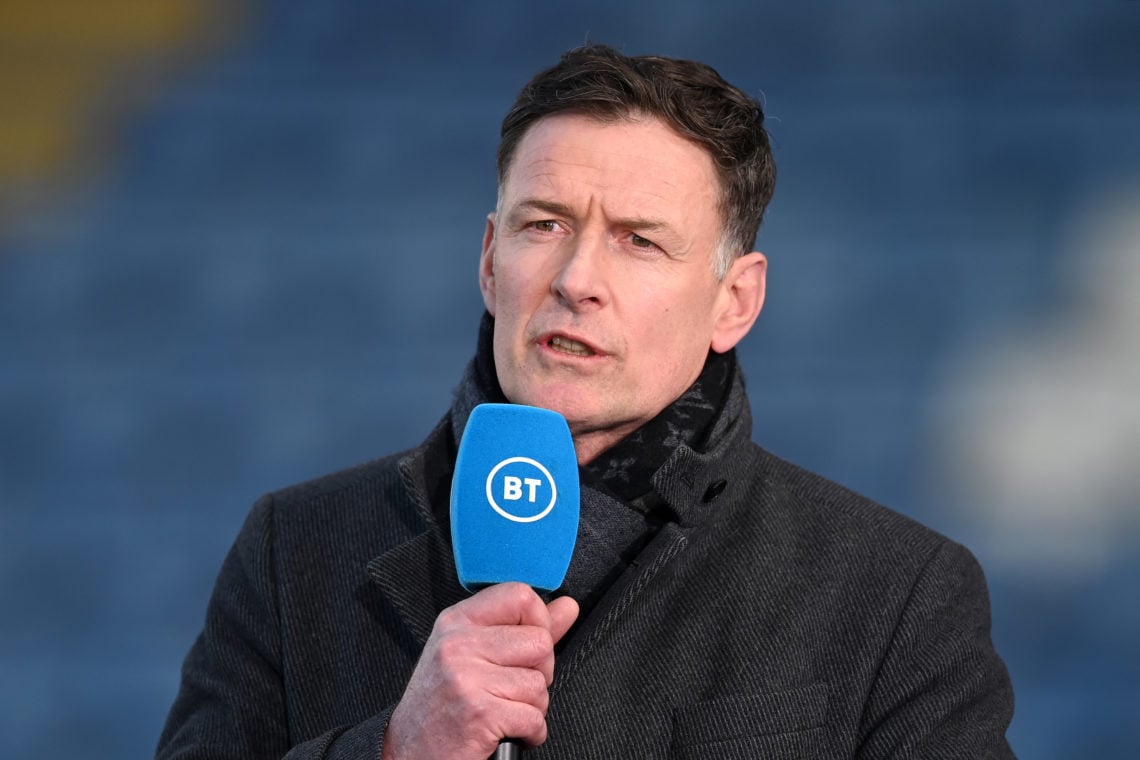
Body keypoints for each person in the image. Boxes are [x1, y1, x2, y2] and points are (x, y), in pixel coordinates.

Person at [156, 44, 1015, 759]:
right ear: (491, 260)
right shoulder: (294, 549)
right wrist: (391, 749)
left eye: (639, 242)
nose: (576, 281)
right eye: (545, 225)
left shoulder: (895, 595)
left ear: (735, 303)